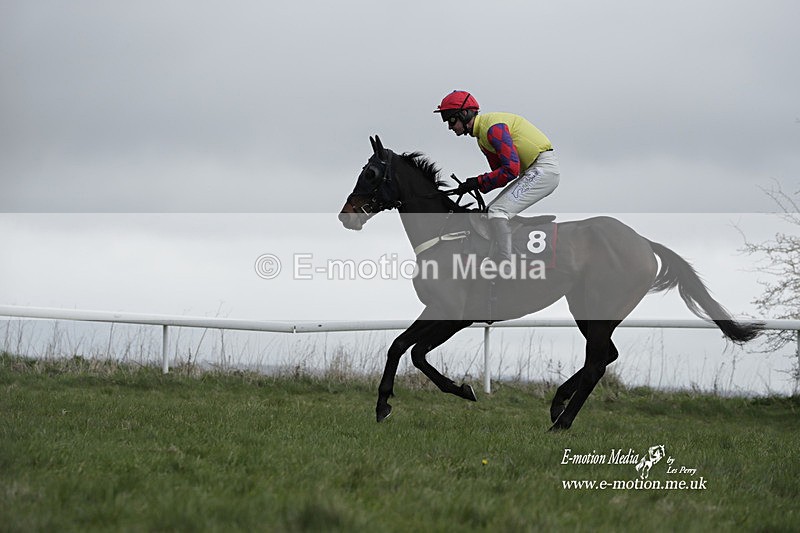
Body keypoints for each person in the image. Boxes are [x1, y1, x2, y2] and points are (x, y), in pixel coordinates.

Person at [434, 90, 560, 262]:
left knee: (497, 211)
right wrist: (475, 184)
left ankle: (504, 264)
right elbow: (501, 174)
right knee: (488, 213)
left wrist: (477, 182)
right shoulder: (482, 138)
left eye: (451, 119)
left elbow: (510, 171)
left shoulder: (493, 129)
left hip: (543, 169)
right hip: (532, 171)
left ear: (465, 114)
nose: (449, 126)